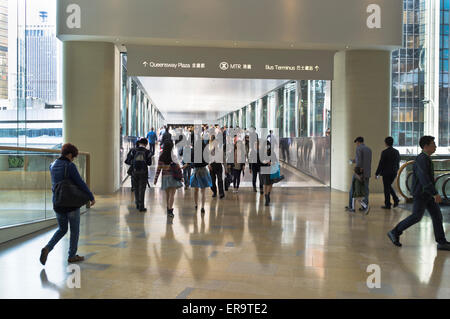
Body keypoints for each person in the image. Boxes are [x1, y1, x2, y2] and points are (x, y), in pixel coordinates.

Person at [387, 136, 450, 250]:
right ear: (425, 146)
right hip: (421, 194)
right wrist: (435, 193)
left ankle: (441, 241)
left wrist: (432, 193)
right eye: (433, 144)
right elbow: (424, 178)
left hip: (427, 194)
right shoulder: (422, 159)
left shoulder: (426, 158)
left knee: (437, 216)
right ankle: (395, 232)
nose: (435, 146)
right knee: (416, 216)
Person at [39, 143, 96, 265]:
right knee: (74, 231)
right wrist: (91, 197)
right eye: (73, 156)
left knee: (62, 229)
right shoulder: (69, 166)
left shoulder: (52, 165)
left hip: (57, 202)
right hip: (71, 203)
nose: (73, 159)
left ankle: (48, 248)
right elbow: (80, 183)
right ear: (69, 154)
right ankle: (71, 256)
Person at [154, 140, 183, 219]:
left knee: (167, 194)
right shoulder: (173, 156)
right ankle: (170, 210)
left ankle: (168, 208)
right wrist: (182, 177)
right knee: (172, 195)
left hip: (165, 177)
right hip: (173, 177)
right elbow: (178, 167)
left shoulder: (161, 156)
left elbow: (159, 168)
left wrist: (156, 179)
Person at [186, 138, 212, 215]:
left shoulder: (193, 151)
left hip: (196, 171)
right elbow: (207, 161)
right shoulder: (205, 152)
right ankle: (203, 207)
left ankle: (196, 204)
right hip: (203, 171)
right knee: (203, 191)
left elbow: (190, 161)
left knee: (195, 190)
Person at [125, 138, 152, 212]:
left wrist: (133, 163)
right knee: (142, 189)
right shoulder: (147, 152)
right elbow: (149, 163)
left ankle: (137, 203)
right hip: (143, 172)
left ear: (139, 143)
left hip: (134, 171)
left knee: (136, 188)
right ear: (146, 144)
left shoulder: (133, 150)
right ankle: (141, 206)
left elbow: (127, 161)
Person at [346, 136, 372, 213]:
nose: (356, 144)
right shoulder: (369, 149)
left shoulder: (359, 148)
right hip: (367, 173)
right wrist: (354, 160)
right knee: (366, 190)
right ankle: (365, 207)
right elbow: (365, 161)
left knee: (352, 190)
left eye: (356, 143)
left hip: (359, 173)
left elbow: (359, 162)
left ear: (358, 142)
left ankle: (351, 207)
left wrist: (357, 172)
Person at [375, 136, 401, 209]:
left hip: (386, 173)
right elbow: (398, 162)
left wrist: (377, 173)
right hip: (394, 172)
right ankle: (395, 199)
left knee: (386, 188)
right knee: (388, 186)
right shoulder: (396, 151)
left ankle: (388, 204)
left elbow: (381, 163)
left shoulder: (384, 152)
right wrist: (397, 170)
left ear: (386, 143)